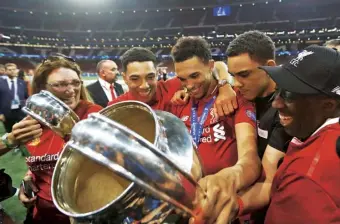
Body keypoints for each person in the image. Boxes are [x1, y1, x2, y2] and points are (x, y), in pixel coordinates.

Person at [170, 36, 261, 224]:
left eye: (195, 76)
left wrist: (227, 178)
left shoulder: (235, 100)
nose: (189, 85)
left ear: (211, 65)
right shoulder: (180, 102)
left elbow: (250, 158)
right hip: (192, 208)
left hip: (227, 208)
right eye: (182, 79)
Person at [16, 54, 102, 224]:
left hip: (87, 212)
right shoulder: (30, 124)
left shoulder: (95, 115)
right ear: (43, 88)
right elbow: (38, 164)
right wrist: (27, 182)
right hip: (44, 215)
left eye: (75, 83)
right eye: (60, 85)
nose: (71, 90)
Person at [259, 45, 340, 223]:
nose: (276, 103)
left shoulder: (307, 179)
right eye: (278, 89)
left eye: (289, 95)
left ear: (328, 105)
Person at [223, 31, 292, 223]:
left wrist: (230, 206)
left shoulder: (286, 107)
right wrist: (222, 84)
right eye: (232, 76)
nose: (236, 83)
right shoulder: (240, 94)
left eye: (244, 74)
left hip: (272, 210)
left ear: (269, 67)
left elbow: (268, 180)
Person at [109, 47, 238, 117]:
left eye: (150, 77)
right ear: (124, 77)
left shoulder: (170, 87)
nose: (144, 85)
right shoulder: (114, 108)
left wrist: (225, 86)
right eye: (135, 79)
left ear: (157, 73)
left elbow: (219, 65)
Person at [0, 63, 28, 133]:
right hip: (7, 112)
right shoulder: (1, 82)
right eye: (10, 70)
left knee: (22, 130)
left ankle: (19, 143)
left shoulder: (22, 82)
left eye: (14, 69)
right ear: (5, 71)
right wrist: (0, 113)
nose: (12, 71)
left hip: (20, 111)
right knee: (9, 131)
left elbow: (26, 97)